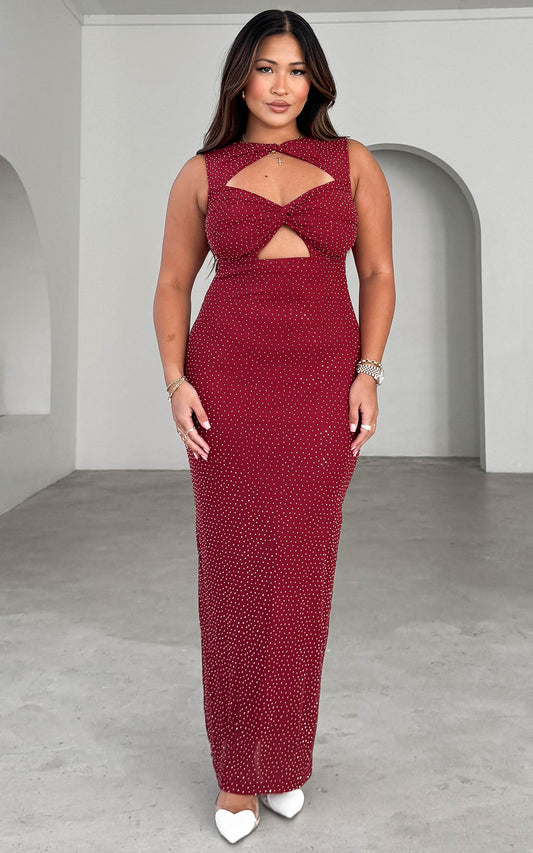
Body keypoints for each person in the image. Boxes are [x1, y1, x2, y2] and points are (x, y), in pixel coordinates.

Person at [153, 8, 395, 844]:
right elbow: (172, 284)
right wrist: (177, 382)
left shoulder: (351, 161)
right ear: (240, 78)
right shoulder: (202, 172)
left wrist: (367, 372)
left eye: (295, 69)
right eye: (265, 68)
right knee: (234, 571)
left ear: (315, 79)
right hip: (228, 384)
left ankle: (282, 756)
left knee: (301, 571)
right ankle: (236, 772)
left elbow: (378, 273)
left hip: (322, 386)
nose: (281, 85)